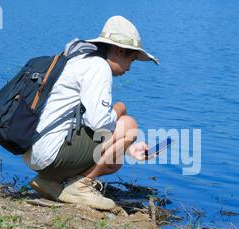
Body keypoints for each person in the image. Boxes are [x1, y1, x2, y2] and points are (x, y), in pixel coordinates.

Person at [23, 16, 158, 210]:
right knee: (129, 124)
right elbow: (99, 124)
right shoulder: (98, 67)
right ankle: (81, 186)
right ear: (119, 50)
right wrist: (120, 108)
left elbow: (87, 124)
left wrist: (129, 148)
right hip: (51, 154)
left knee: (115, 161)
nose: (130, 67)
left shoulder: (78, 59)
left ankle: (49, 181)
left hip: (36, 152)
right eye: (132, 59)